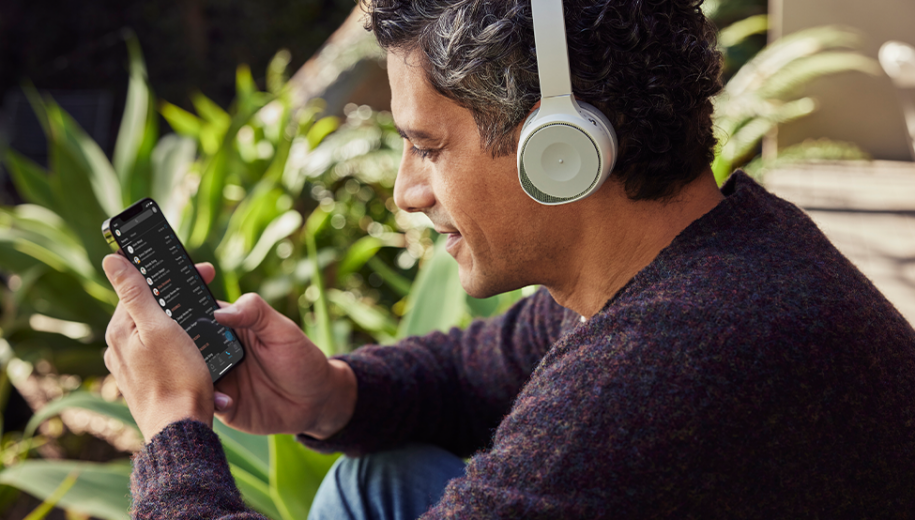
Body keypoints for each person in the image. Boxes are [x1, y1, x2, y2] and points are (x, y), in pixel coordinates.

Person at [102, 0, 915, 517]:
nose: (405, 192)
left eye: (425, 147)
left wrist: (175, 428)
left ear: (560, 147)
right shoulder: (706, 257)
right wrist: (332, 395)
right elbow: (474, 367)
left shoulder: (681, 359)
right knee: (378, 482)